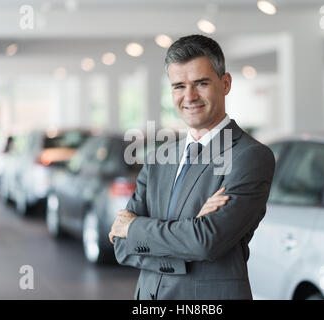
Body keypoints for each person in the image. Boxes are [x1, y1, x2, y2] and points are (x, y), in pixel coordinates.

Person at [109, 34, 275, 300]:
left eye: (201, 83)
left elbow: (205, 241)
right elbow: (121, 247)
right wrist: (188, 229)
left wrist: (136, 228)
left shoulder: (250, 157)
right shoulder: (158, 158)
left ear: (226, 83)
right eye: (179, 86)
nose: (189, 96)